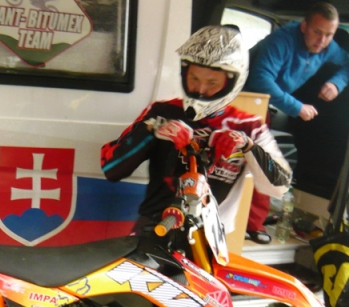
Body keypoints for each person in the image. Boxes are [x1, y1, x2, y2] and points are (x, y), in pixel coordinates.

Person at [101, 25, 291, 243]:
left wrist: (248, 146)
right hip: (156, 227)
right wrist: (151, 130)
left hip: (210, 236)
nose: (200, 90)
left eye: (212, 83)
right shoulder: (162, 111)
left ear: (232, 82)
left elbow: (279, 187)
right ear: (184, 73)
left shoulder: (248, 125)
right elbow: (111, 169)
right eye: (194, 78)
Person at [243, 2, 349, 243]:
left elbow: (347, 63)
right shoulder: (281, 41)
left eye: (329, 35)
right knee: (260, 162)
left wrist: (336, 83)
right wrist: (297, 107)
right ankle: (250, 224)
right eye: (317, 32)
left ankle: (253, 223)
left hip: (264, 106)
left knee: (263, 163)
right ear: (304, 26)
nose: (322, 41)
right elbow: (261, 79)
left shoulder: (328, 47)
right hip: (246, 101)